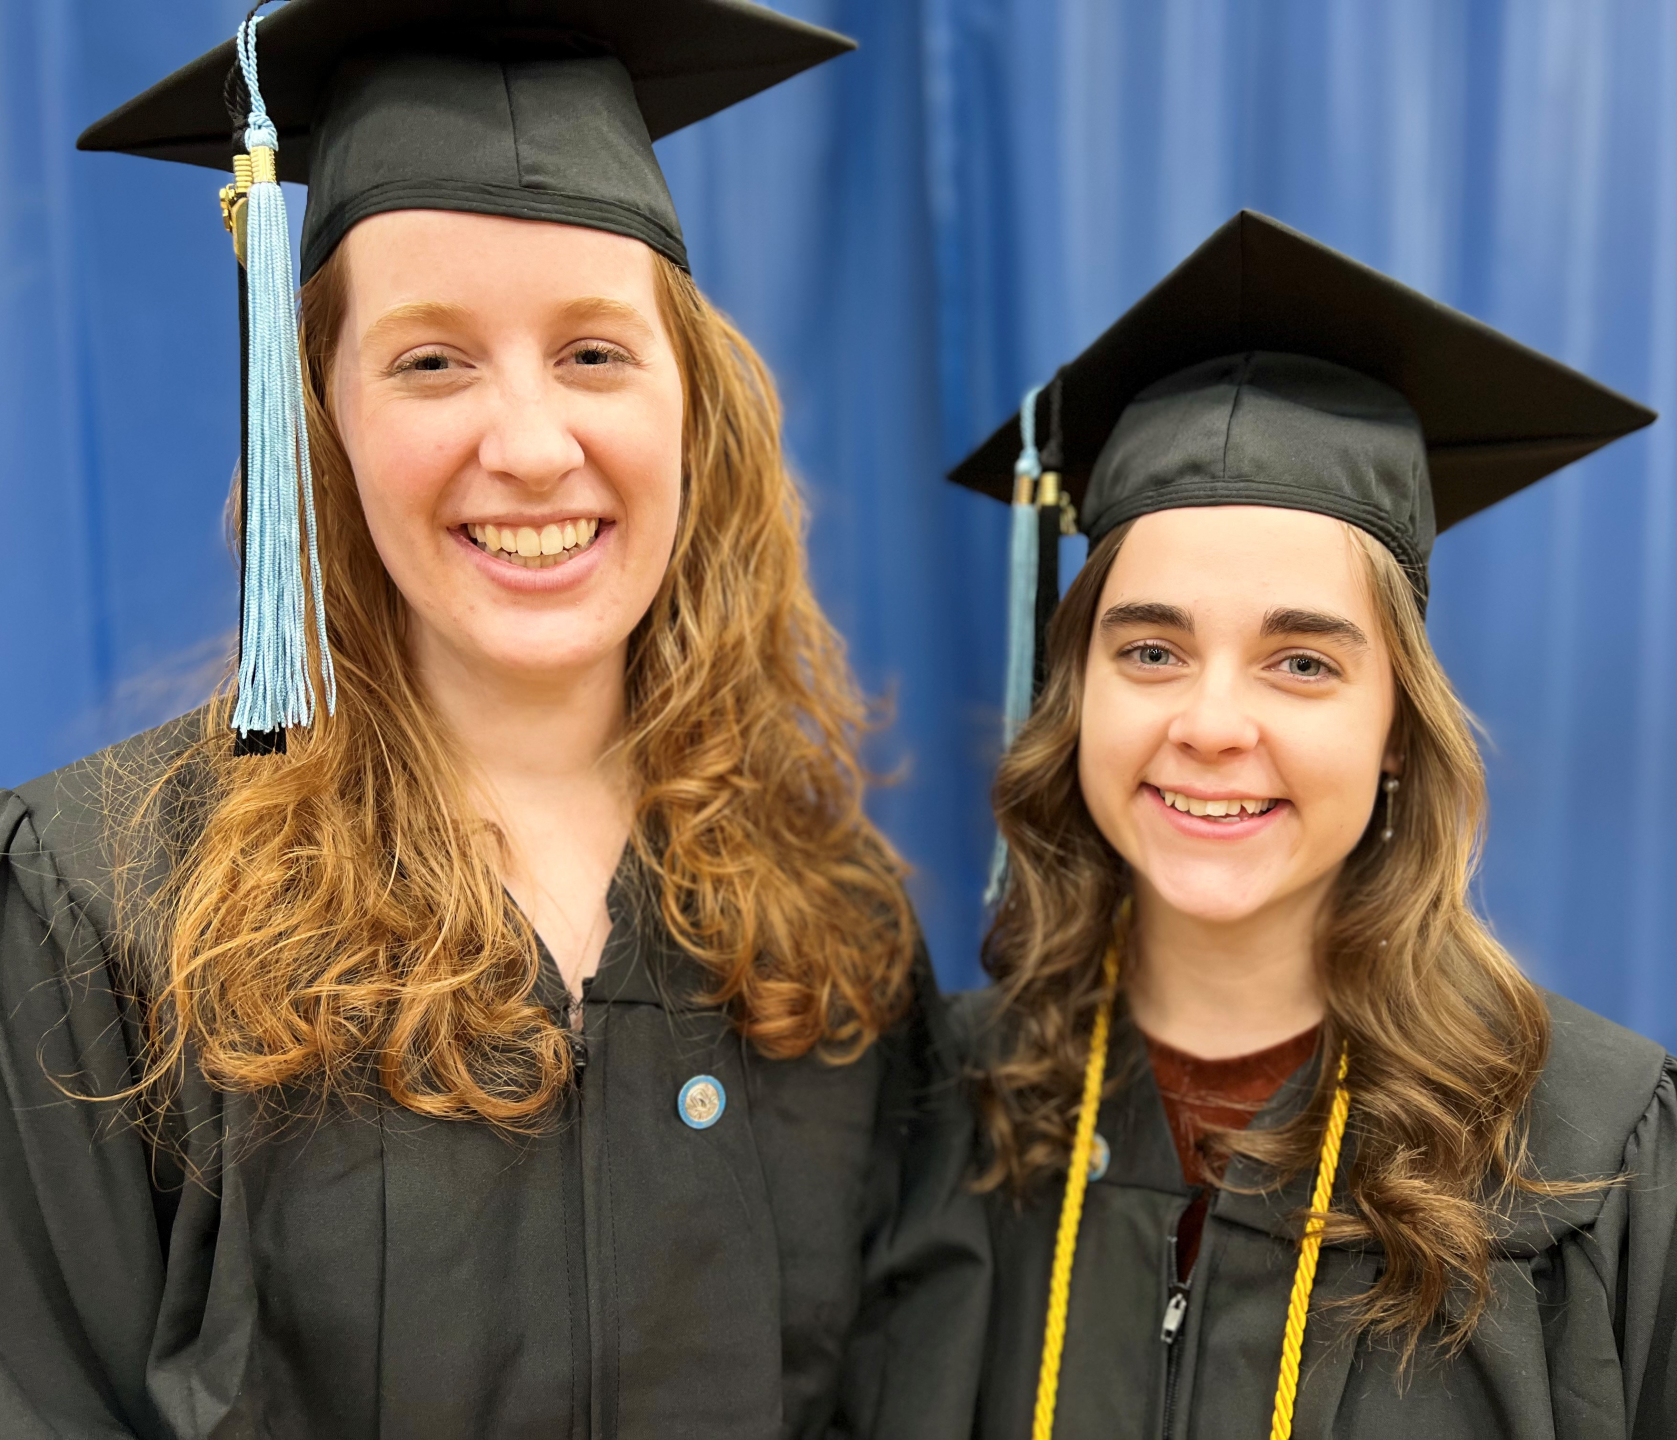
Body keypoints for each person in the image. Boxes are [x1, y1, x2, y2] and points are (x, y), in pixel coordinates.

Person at [0, 4, 986, 1436]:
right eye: (430, 361)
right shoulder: (105, 914)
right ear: (318, 425)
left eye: (594, 353)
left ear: (694, 407)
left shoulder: (828, 944)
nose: (528, 446)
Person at [948, 210, 1675, 1439]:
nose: (1213, 724)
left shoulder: (1593, 1153)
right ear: (1077, 697)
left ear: (1398, 725)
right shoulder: (947, 1110)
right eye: (1151, 648)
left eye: (1301, 663)